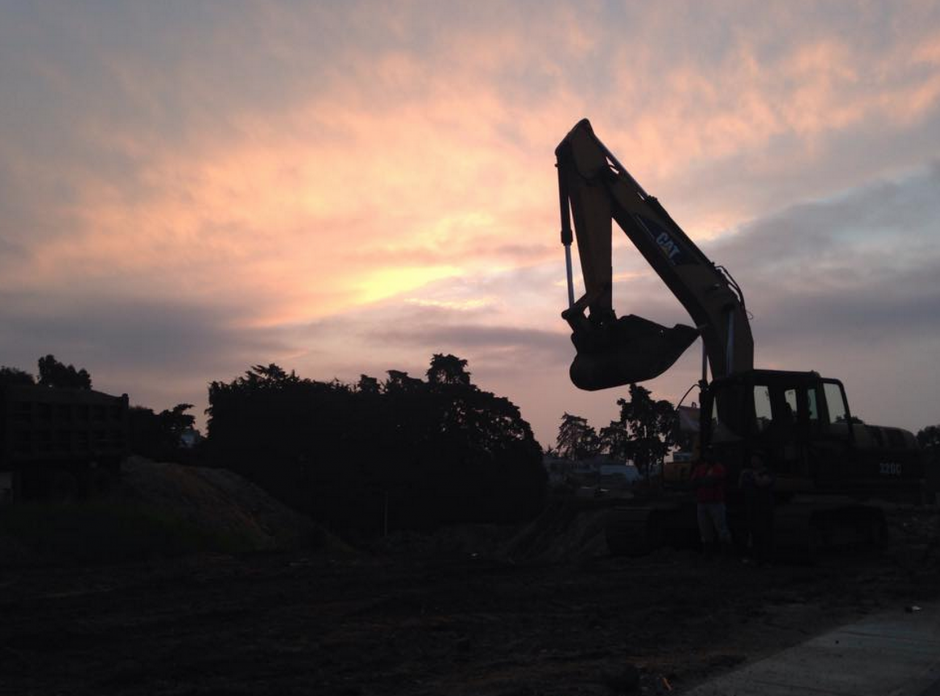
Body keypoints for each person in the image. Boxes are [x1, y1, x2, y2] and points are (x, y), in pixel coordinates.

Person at [690, 448, 732, 557]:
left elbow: (712, 481)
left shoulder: (718, 468)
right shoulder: (701, 468)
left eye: (710, 454)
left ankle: (724, 553)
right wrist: (705, 481)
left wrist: (702, 481)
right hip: (703, 502)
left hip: (716, 502)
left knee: (721, 528)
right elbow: (694, 482)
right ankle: (709, 553)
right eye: (707, 454)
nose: (708, 456)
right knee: (705, 529)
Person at [739, 454, 775, 565]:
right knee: (753, 533)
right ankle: (755, 557)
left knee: (764, 533)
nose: (753, 462)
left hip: (763, 506)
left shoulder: (767, 473)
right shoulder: (747, 473)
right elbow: (741, 485)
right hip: (751, 505)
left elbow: (762, 483)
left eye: (756, 459)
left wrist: (753, 475)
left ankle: (765, 559)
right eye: (752, 459)